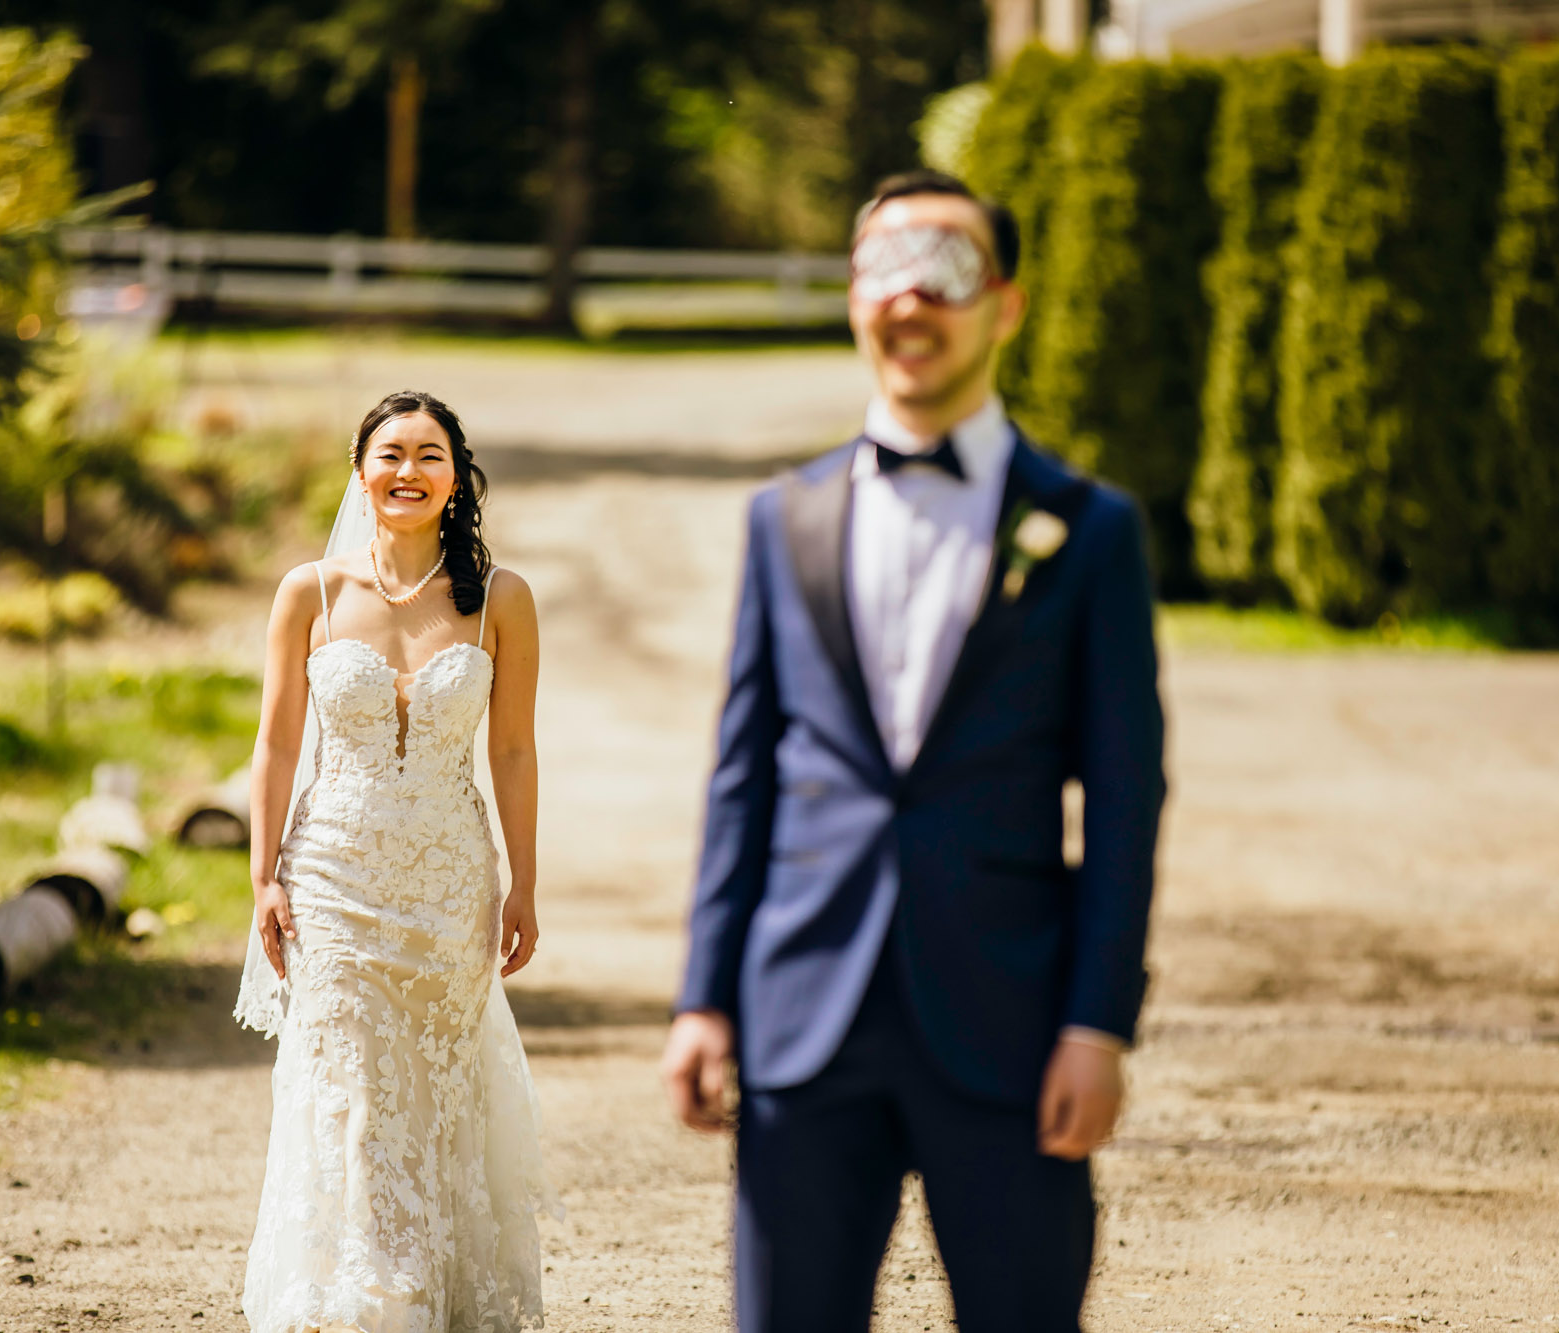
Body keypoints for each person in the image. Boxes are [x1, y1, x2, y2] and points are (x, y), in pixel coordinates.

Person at [661, 171, 1166, 1332]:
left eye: (945, 271)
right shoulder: (781, 519)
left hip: (1009, 1025)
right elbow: (744, 773)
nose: (910, 301)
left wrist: (1097, 1021)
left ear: (1005, 303)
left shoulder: (1088, 533)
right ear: (852, 299)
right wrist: (704, 995)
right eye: (885, 271)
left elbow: (1127, 797)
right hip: (802, 1023)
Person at [235, 389, 555, 1332]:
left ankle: (434, 1286)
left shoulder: (503, 599)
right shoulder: (311, 592)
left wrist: (523, 881)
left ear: (457, 477)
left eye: (429, 455)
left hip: (451, 881)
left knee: (434, 1084)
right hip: (331, 874)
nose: (408, 472)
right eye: (391, 454)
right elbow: (275, 747)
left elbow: (513, 751)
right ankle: (376, 1293)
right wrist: (263, 875)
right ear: (360, 468)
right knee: (354, 1086)